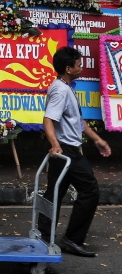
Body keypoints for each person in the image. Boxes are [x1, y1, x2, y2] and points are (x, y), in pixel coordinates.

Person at [38, 46, 111, 257]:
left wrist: (97, 139)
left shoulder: (66, 86)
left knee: (54, 193)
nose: (81, 67)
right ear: (68, 68)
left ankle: (42, 237)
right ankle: (72, 239)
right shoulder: (60, 90)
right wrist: (55, 144)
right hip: (65, 151)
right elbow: (49, 119)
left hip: (67, 148)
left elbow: (77, 122)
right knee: (90, 190)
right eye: (79, 65)